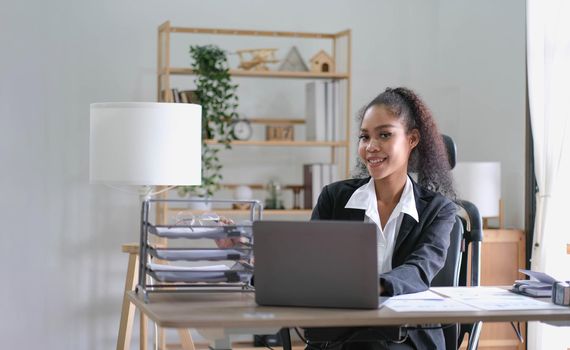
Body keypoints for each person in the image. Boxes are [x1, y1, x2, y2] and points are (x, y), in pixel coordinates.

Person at [307, 87, 457, 350]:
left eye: (384, 135)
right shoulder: (334, 198)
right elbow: (310, 263)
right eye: (364, 137)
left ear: (412, 139)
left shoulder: (438, 210)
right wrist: (250, 256)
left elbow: (420, 269)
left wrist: (375, 287)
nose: (371, 147)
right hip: (340, 332)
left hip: (407, 336)